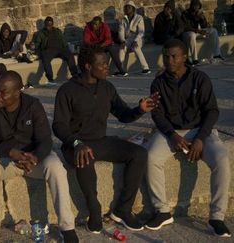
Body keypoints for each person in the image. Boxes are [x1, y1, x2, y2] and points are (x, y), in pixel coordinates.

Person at [52, 45, 158, 233]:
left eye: (106, 63)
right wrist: (77, 143)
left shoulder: (107, 87)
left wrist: (140, 110)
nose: (106, 67)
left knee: (139, 154)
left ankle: (123, 210)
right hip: (74, 145)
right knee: (84, 158)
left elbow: (123, 115)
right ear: (87, 66)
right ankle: (95, 210)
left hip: (100, 141)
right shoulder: (67, 90)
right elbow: (59, 126)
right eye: (101, 64)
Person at [0, 71, 78, 243]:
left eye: (3, 92)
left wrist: (36, 157)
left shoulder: (33, 105)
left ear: (18, 92)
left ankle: (67, 228)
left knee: (55, 167)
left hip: (33, 160)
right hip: (6, 160)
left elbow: (45, 140)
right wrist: (11, 153)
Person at [145, 39, 231, 238]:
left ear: (184, 57)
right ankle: (163, 211)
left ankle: (216, 217)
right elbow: (157, 115)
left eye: (174, 56)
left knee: (221, 159)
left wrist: (201, 138)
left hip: (200, 130)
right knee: (151, 157)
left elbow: (212, 111)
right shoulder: (158, 82)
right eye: (166, 56)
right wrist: (173, 135)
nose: (169, 60)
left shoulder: (200, 79)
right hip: (171, 132)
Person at [34, 16, 78, 86]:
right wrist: (36, 49)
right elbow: (37, 44)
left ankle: (75, 75)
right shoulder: (41, 33)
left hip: (60, 49)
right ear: (45, 25)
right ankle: (50, 79)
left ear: (52, 24)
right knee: (45, 59)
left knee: (69, 55)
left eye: (50, 25)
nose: (49, 27)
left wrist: (68, 49)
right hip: (49, 50)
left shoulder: (57, 31)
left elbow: (64, 42)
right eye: (47, 25)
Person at [181, 0, 224, 66]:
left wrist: (202, 18)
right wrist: (198, 31)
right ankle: (195, 59)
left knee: (213, 31)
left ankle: (217, 54)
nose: (196, 8)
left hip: (197, 32)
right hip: (187, 33)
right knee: (191, 35)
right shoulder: (185, 13)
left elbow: (204, 26)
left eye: (198, 6)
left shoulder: (199, 13)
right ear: (191, 6)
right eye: (195, 6)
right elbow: (185, 27)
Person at [118, 0, 151, 74]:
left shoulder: (139, 18)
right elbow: (120, 32)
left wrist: (136, 41)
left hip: (138, 38)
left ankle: (145, 68)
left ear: (133, 9)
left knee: (136, 47)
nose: (127, 9)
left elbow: (141, 32)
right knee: (122, 48)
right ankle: (121, 70)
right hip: (127, 39)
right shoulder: (123, 19)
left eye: (129, 7)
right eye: (126, 8)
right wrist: (122, 41)